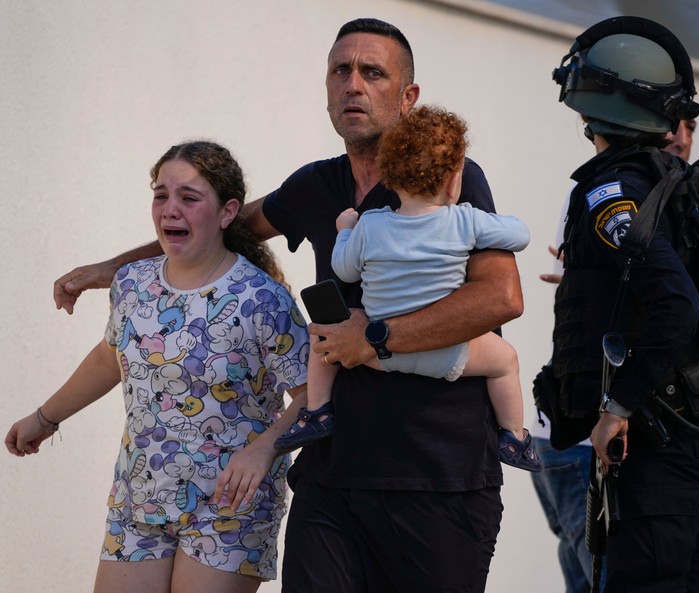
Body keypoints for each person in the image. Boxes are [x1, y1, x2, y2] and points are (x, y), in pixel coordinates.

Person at [51, 18, 522, 593]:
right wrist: (112, 268)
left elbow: (500, 297)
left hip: (438, 476)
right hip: (334, 471)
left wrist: (375, 337)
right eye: (341, 71)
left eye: (373, 73)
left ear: (408, 96)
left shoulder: (446, 178)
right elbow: (215, 226)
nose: (353, 84)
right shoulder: (316, 186)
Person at [6, 141, 310, 593]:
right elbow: (109, 358)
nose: (170, 209)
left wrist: (265, 449)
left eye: (189, 197)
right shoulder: (132, 282)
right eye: (161, 195)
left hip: (230, 506)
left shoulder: (263, 299)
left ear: (227, 212)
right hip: (140, 495)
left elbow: (312, 396)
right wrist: (45, 417)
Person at [551, 16, 699, 592]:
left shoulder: (612, 194)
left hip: (667, 442)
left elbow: (677, 305)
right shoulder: (680, 184)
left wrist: (616, 408)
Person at [274, 104, 540, 472]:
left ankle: (317, 412)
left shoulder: (371, 224)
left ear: (389, 176)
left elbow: (344, 271)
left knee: (325, 339)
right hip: (447, 352)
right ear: (454, 181)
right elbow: (520, 235)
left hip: (376, 354)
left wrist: (345, 231)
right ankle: (514, 437)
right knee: (505, 361)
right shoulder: (465, 221)